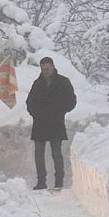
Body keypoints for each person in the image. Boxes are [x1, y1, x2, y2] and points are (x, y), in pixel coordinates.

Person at [26, 57, 77, 190]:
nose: (45, 72)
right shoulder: (37, 84)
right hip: (40, 122)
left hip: (56, 121)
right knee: (39, 154)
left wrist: (61, 110)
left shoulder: (63, 82)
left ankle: (59, 182)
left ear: (53, 67)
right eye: (43, 69)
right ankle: (41, 182)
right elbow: (30, 102)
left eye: (47, 69)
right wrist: (35, 113)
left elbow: (71, 100)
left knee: (56, 153)